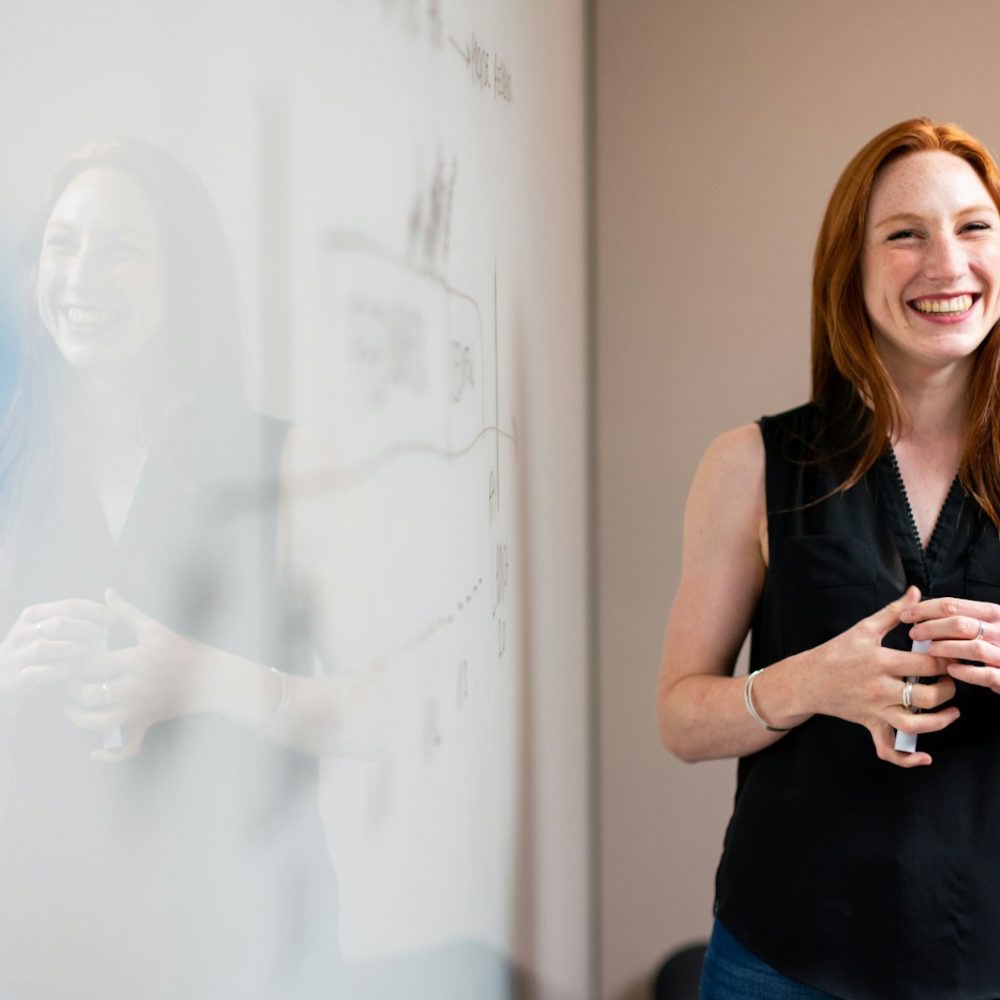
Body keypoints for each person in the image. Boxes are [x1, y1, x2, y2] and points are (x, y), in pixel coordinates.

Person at [0, 138, 388, 999]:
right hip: (46, 939)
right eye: (62, 244)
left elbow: (391, 711)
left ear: (186, 281)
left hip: (249, 942)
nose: (81, 276)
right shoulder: (12, 473)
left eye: (123, 250)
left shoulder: (291, 467)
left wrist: (203, 679)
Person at [657, 117, 1000, 1000]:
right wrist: (810, 684)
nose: (947, 264)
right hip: (784, 962)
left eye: (973, 227)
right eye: (905, 235)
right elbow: (682, 718)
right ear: (850, 266)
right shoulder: (749, 465)